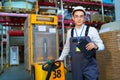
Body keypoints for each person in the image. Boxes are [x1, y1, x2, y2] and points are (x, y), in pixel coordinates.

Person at [58, 6, 105, 80]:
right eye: (76, 16)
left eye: (81, 16)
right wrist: (60, 58)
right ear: (73, 18)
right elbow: (67, 47)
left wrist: (96, 46)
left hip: (89, 65)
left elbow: (102, 46)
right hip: (76, 66)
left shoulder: (91, 30)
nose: (79, 19)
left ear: (84, 18)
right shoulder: (70, 32)